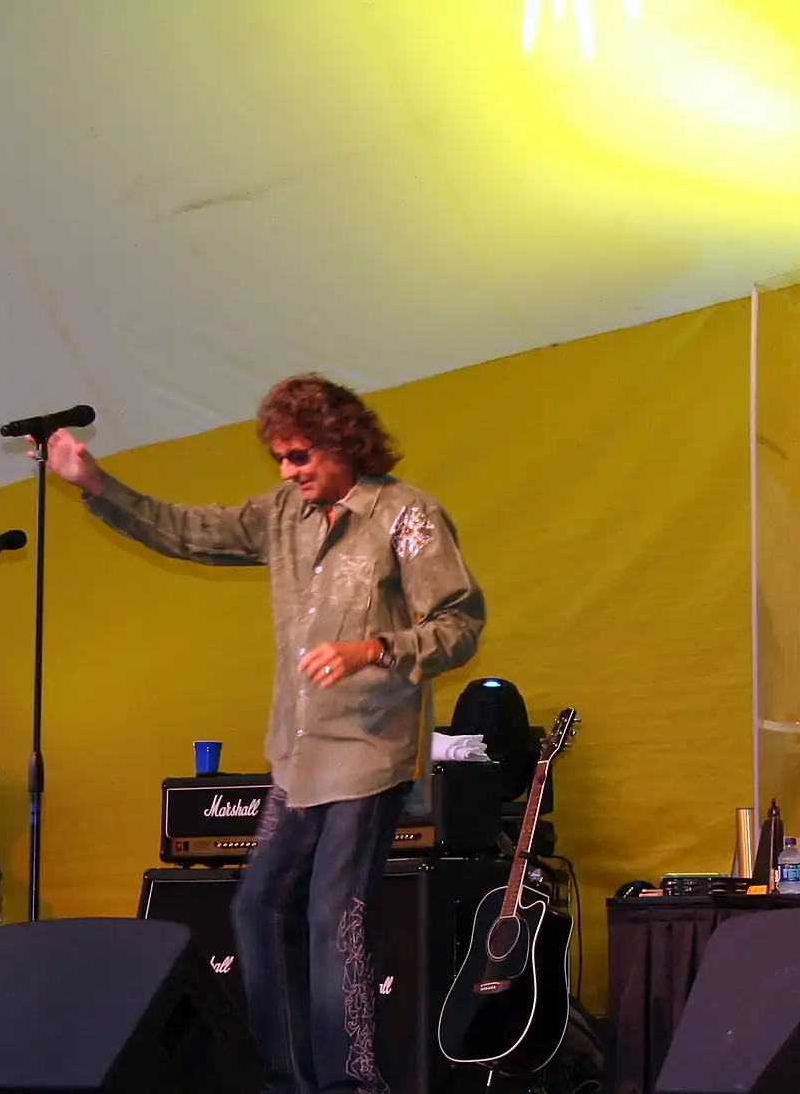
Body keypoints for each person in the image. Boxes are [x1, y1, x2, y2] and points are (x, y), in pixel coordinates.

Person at [40, 375, 485, 1094]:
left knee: (335, 914)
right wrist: (95, 483)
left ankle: (353, 1084)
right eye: (279, 456)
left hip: (370, 749)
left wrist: (373, 648)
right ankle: (284, 1079)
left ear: (344, 441)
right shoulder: (282, 516)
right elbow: (187, 531)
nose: (286, 470)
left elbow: (459, 624)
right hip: (298, 755)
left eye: (298, 454)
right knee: (257, 906)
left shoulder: (406, 514)